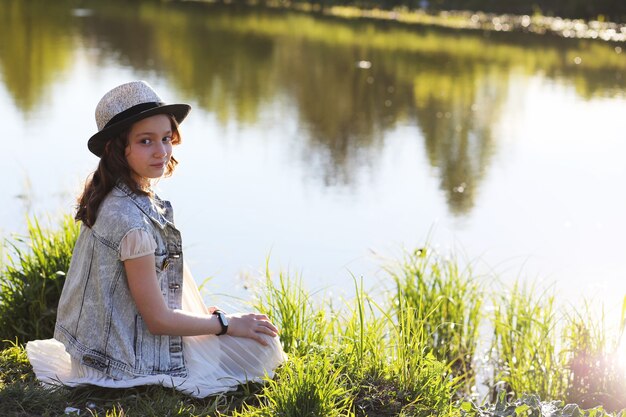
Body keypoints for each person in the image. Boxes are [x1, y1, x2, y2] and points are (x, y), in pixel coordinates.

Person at [26, 80, 286, 398]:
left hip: (104, 346)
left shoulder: (112, 193)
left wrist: (205, 315)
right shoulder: (131, 221)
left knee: (254, 330)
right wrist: (225, 323)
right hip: (126, 360)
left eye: (165, 138)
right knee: (264, 347)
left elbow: (150, 292)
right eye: (146, 141)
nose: (161, 151)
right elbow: (158, 319)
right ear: (117, 149)